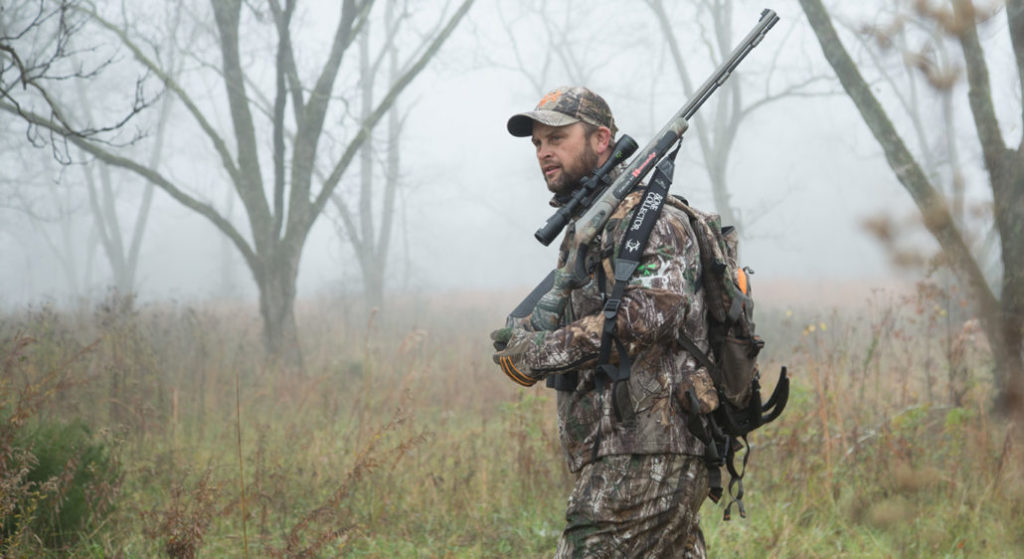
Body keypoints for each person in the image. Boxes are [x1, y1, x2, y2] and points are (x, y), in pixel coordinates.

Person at [490, 86, 720, 558]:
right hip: (628, 448)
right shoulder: (599, 225)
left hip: (648, 449)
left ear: (601, 139)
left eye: (556, 137)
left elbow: (648, 315)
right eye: (537, 143)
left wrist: (541, 350)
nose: (544, 152)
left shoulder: (649, 217)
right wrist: (529, 329)